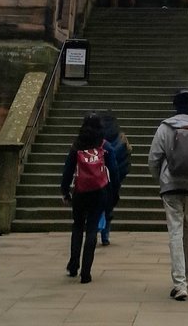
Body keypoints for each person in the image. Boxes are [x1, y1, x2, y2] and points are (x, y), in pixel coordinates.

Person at [148, 88, 188, 302]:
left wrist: (161, 180)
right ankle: (187, 276)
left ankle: (179, 284)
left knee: (175, 232)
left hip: (171, 187)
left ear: (175, 106)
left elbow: (153, 158)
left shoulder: (164, 128)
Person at [60, 113, 119, 283]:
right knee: (92, 228)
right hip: (99, 192)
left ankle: (73, 265)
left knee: (78, 226)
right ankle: (86, 272)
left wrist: (65, 191)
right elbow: (114, 172)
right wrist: (114, 193)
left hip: (80, 191)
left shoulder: (76, 146)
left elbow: (67, 171)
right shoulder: (104, 146)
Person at [97, 111, 131, 245]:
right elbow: (127, 154)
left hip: (96, 176)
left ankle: (94, 228)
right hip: (114, 175)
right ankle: (105, 234)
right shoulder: (120, 137)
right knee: (109, 204)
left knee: (96, 203)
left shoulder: (96, 138)